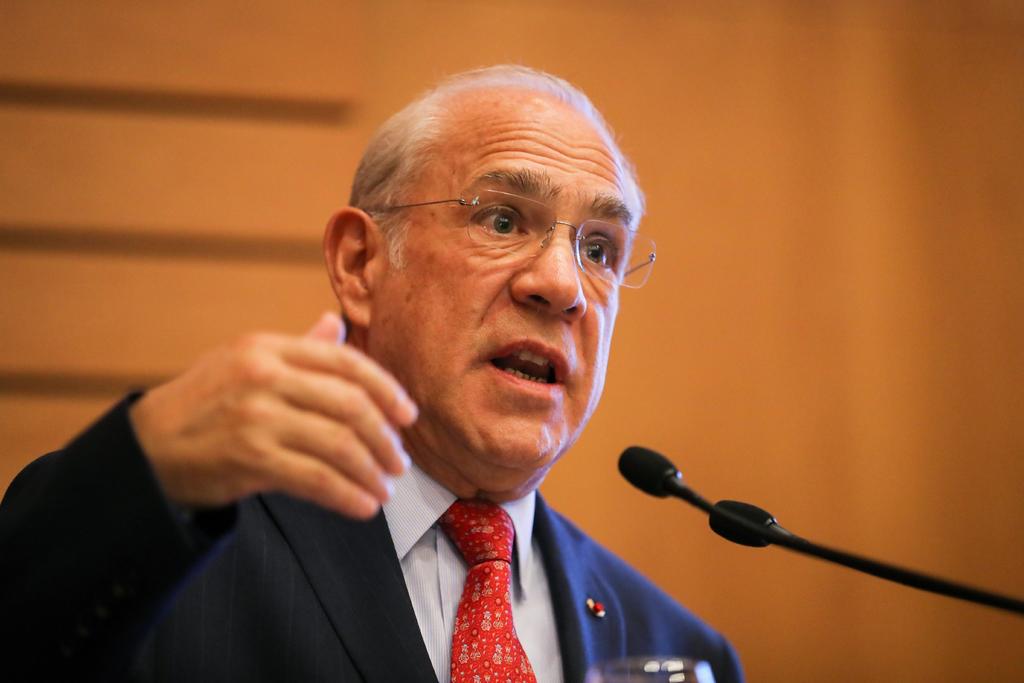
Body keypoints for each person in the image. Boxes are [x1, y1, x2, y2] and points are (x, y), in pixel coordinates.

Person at [0, 65, 743, 682]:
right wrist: (149, 465)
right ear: (360, 264)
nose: (563, 284)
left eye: (600, 249)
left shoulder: (676, 645)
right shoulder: (157, 552)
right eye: (502, 220)